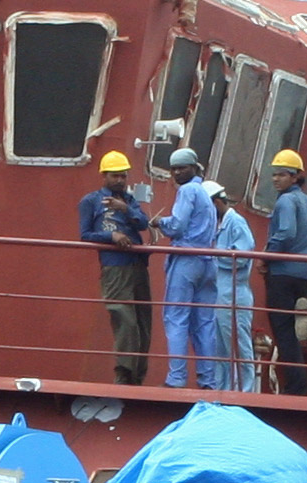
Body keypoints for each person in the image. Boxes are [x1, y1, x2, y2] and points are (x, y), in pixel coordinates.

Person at [78, 152, 155, 385]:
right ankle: (124, 373)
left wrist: (125, 209)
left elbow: (142, 223)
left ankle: (138, 375)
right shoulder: (90, 202)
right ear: (104, 176)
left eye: (123, 176)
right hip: (115, 266)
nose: (120, 180)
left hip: (138, 265)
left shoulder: (129, 201)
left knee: (143, 321)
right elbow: (85, 235)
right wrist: (110, 236)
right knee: (124, 319)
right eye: (115, 176)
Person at [159, 147, 227, 390]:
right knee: (204, 322)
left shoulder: (187, 191)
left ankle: (176, 378)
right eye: (174, 169)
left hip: (186, 259)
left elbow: (177, 226)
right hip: (208, 260)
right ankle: (208, 380)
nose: (177, 172)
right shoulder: (205, 194)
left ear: (193, 168)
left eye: (181, 168)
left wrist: (158, 222)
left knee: (175, 318)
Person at [260, 149, 307, 393]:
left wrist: (266, 255)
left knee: (283, 330)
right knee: (295, 332)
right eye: (274, 174)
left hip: (284, 272)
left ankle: (296, 387)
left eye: (281, 174)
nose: (275, 179)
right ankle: (298, 383)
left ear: (294, 177)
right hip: (305, 274)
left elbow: (286, 233)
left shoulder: (286, 201)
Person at [213, 196, 259, 392]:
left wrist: (213, 253)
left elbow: (240, 257)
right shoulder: (221, 224)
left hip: (234, 291)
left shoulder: (236, 222)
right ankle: (222, 389)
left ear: (216, 202)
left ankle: (245, 389)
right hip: (221, 291)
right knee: (220, 346)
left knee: (239, 342)